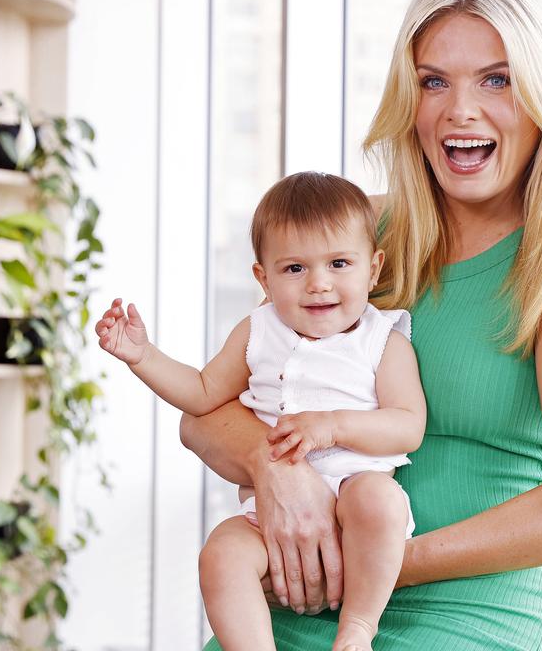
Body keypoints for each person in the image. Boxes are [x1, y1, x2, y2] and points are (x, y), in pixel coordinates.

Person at [183, 0, 542, 650]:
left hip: (460, 615)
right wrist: (275, 472)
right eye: (433, 81)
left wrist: (379, 561)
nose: (460, 109)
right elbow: (208, 412)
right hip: (295, 601)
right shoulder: (357, 240)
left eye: (497, 78)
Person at [95, 172, 427, 651]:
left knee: (382, 505)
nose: (319, 284)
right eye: (295, 269)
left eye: (339, 263)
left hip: (356, 489)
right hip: (270, 513)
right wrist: (144, 357)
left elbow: (407, 425)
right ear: (263, 277)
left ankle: (357, 630)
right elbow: (203, 393)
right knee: (220, 556)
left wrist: (333, 426)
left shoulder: (383, 339)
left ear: (373, 270)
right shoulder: (256, 331)